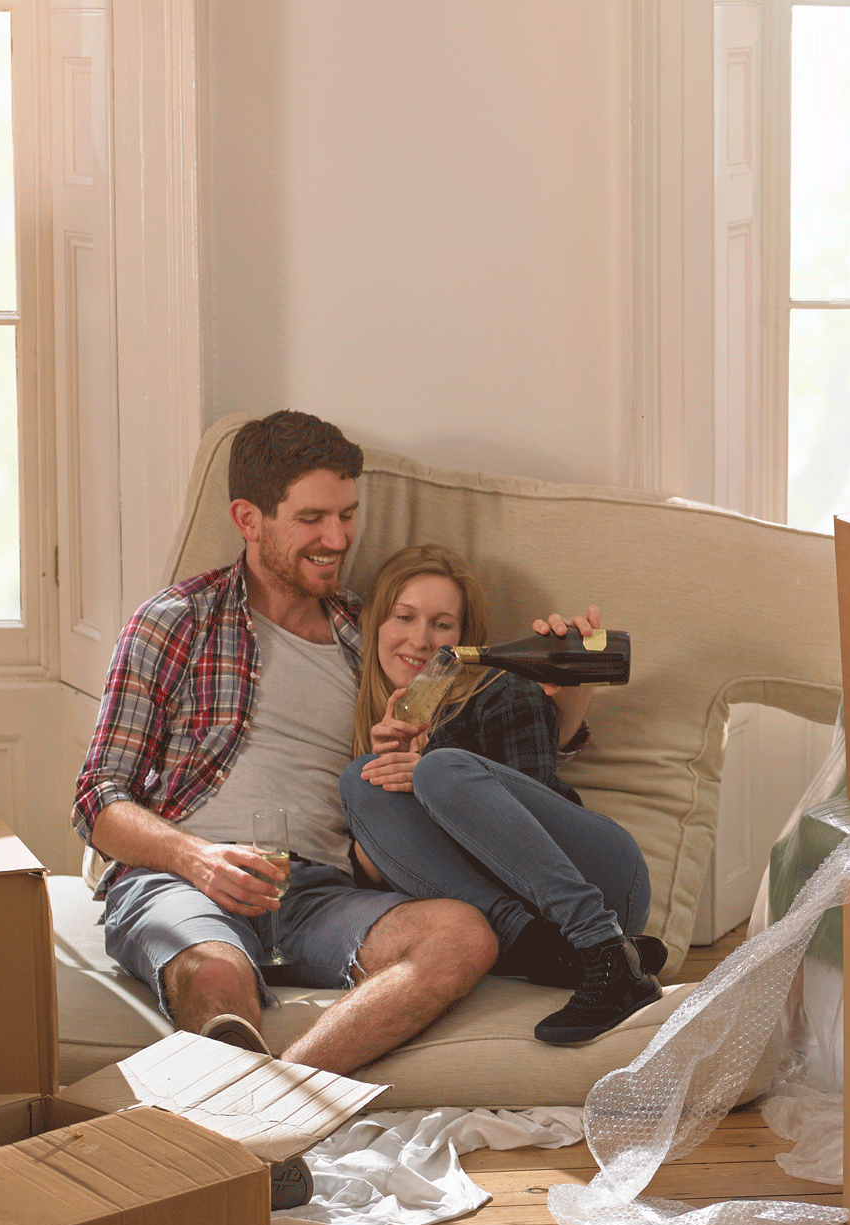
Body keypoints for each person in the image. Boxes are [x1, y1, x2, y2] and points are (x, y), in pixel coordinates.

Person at [74, 411, 503, 1092]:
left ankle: (281, 1104)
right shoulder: (174, 622)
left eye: (347, 515)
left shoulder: (374, 636)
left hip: (319, 893)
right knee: (214, 971)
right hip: (187, 877)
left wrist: (571, 686)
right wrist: (199, 859)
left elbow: (487, 729)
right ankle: (265, 1122)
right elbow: (98, 800)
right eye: (312, 519)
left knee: (464, 935)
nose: (337, 539)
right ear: (249, 518)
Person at [337, 544, 662, 1044]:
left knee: (439, 771)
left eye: (442, 625)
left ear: (464, 639)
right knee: (360, 778)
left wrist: (429, 778)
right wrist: (391, 801)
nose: (420, 640)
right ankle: (547, 954)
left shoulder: (503, 691)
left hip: (602, 887)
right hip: (530, 939)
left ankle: (606, 955)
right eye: (405, 617)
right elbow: (395, 885)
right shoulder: (383, 727)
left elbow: (527, 837)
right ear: (378, 624)